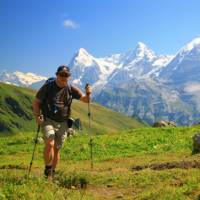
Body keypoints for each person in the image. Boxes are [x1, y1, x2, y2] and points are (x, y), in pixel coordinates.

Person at [32, 65, 92, 178]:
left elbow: (86, 100)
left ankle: (52, 173)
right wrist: (37, 116)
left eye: (66, 75)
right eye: (61, 75)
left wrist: (88, 93)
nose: (64, 77)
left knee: (57, 148)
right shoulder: (48, 87)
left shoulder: (71, 89)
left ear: (69, 77)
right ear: (57, 75)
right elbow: (36, 101)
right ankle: (48, 169)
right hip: (48, 119)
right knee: (50, 140)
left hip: (63, 122)